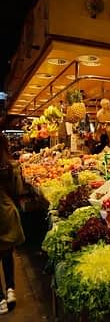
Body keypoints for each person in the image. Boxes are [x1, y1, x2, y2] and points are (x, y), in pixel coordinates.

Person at [0, 133, 25, 314]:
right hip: (7, 212)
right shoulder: (10, 166)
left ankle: (0, 300)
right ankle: (10, 290)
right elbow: (18, 190)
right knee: (7, 252)